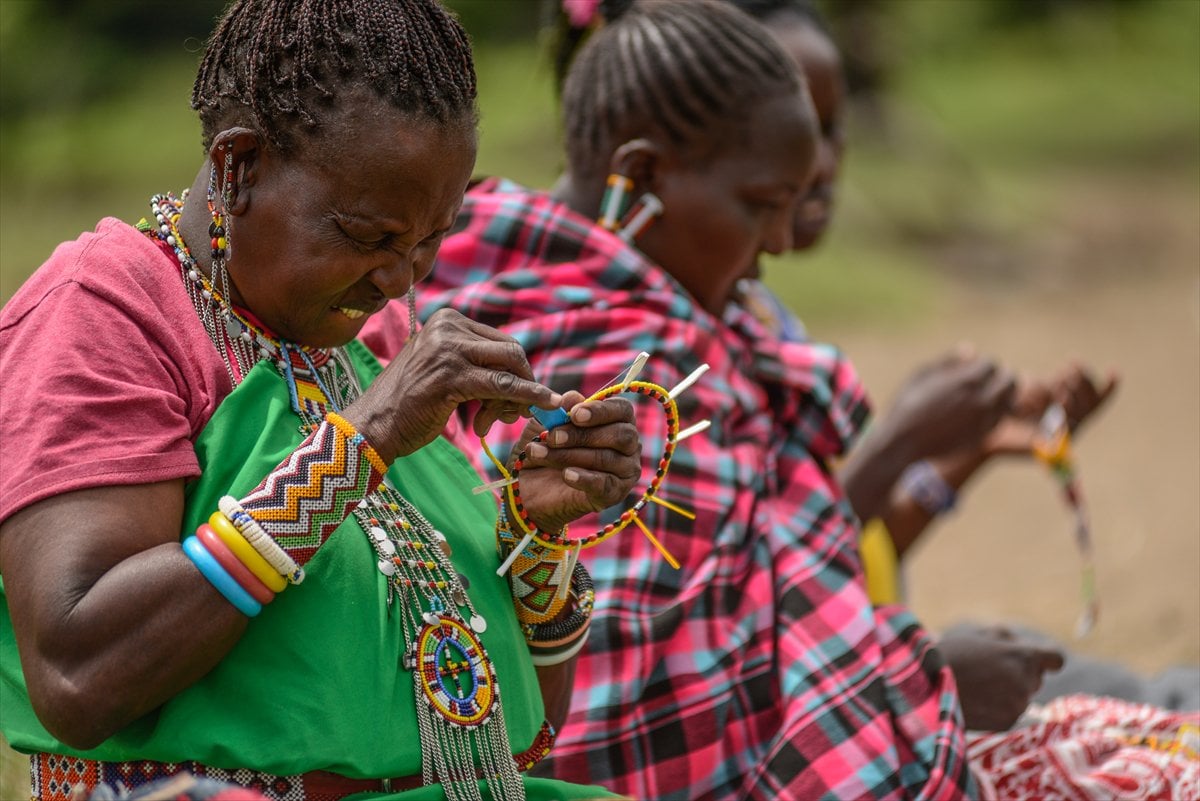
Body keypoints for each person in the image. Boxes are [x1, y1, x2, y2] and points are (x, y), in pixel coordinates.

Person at [395, 0, 1200, 798]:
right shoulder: (615, 366)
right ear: (639, 175)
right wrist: (923, 677)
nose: (779, 240)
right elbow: (632, 719)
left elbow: (766, 591)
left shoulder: (670, 317)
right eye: (759, 204)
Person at [0, 2, 644, 800]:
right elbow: (78, 673)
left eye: (429, 241)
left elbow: (513, 729)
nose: (402, 279)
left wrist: (536, 534)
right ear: (238, 165)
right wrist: (361, 443)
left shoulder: (350, 351)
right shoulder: (106, 308)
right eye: (368, 235)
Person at [728, 0, 1200, 723]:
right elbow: (753, 596)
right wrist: (898, 445)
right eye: (793, 133)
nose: (819, 164)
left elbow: (845, 550)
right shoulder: (679, 366)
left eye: (833, 128)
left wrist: (969, 448)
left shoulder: (761, 322)